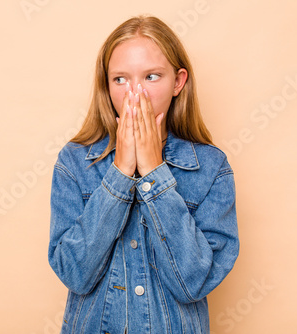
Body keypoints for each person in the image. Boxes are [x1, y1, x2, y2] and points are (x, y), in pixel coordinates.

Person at [48, 15, 239, 334]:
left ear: (178, 82)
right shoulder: (74, 161)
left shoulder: (212, 168)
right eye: (120, 79)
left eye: (152, 76)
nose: (135, 92)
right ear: (106, 86)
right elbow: (74, 273)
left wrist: (154, 172)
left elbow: (194, 283)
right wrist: (120, 173)